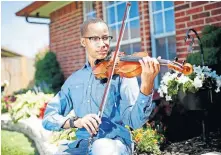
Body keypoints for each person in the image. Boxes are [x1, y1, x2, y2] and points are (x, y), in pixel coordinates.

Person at [42, 18, 160, 155]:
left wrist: (147, 84)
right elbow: (49, 117)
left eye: (105, 38)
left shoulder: (122, 72)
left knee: (102, 146)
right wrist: (76, 122)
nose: (102, 44)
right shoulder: (74, 80)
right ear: (83, 42)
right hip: (82, 145)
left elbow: (135, 121)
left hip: (114, 143)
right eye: (95, 39)